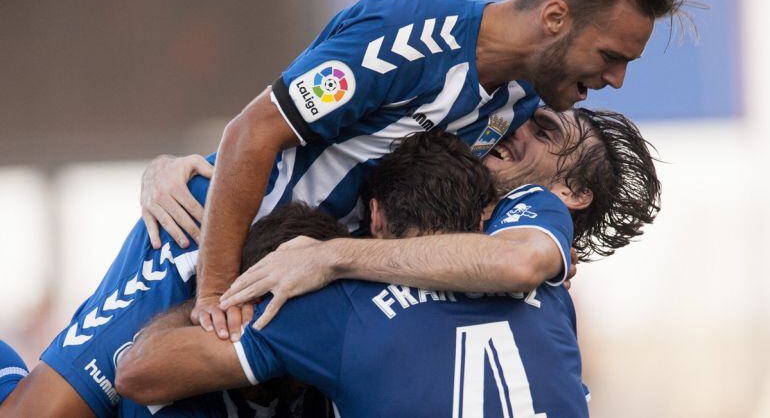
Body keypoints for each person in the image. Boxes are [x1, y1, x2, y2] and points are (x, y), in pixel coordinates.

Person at [181, 0, 682, 340]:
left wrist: (554, 255)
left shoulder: (523, 104)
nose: (618, 79)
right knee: (130, 379)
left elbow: (516, 225)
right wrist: (215, 292)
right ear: (554, 19)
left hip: (293, 281)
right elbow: (249, 133)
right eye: (612, 55)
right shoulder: (404, 35)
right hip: (202, 247)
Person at [117, 132, 592, 416]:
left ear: (377, 217)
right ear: (487, 217)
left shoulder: (337, 311)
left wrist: (217, 296)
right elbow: (519, 259)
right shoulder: (551, 286)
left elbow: (140, 374)